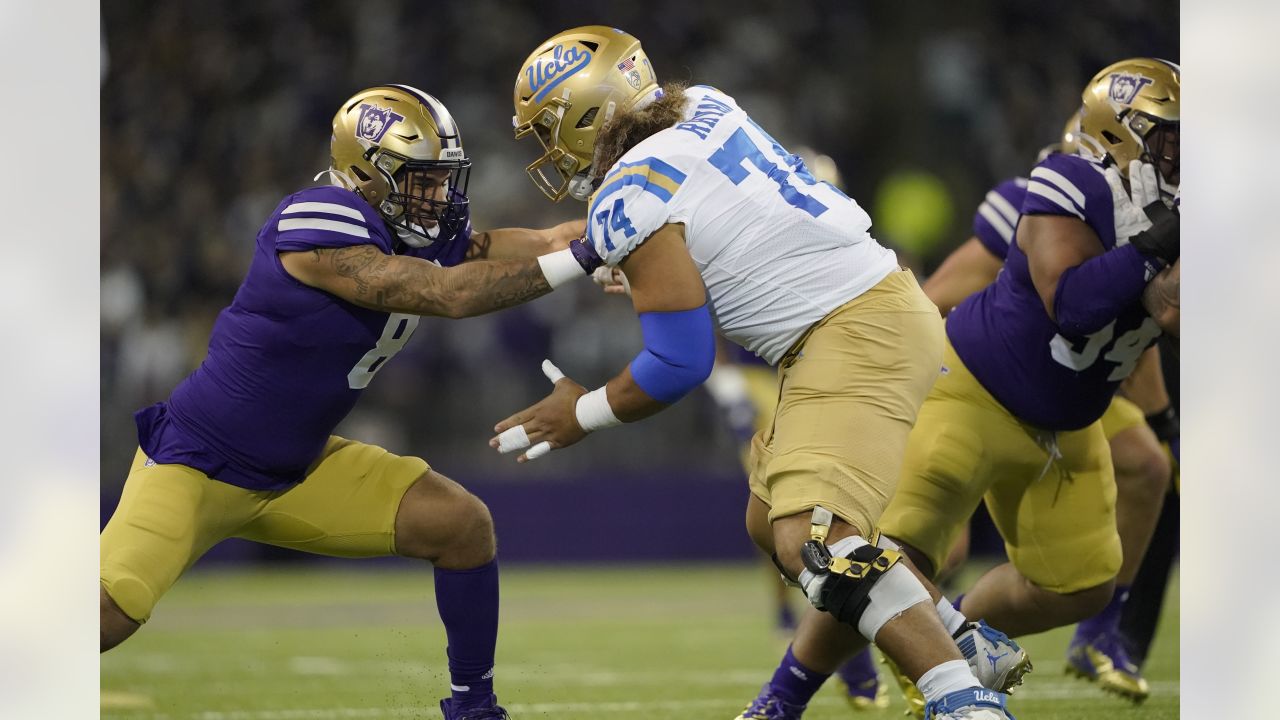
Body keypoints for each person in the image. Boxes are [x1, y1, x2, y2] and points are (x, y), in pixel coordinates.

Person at [493, 26, 1020, 720]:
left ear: (591, 114)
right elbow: (733, 227)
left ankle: (964, 699)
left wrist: (580, 413)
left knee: (813, 538)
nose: (551, 151)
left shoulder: (631, 189)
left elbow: (678, 363)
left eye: (552, 129)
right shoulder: (701, 105)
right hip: (867, 307)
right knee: (767, 517)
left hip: (852, 329)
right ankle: (952, 632)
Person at [99, 85, 602, 720]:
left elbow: (537, 240)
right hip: (197, 464)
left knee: (462, 527)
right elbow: (446, 293)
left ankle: (475, 709)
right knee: (105, 618)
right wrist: (582, 258)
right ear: (365, 174)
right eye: (421, 181)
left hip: (299, 471)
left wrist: (614, 235)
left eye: (443, 180)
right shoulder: (317, 218)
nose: (439, 197)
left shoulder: (408, 226)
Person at [915, 117, 1178, 705]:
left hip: (1080, 384)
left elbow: (1136, 343)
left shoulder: (1158, 215)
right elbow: (944, 293)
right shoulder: (1045, 201)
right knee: (936, 540)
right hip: (999, 362)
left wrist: (1164, 423)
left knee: (1147, 464)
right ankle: (925, 650)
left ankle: (1098, 628)